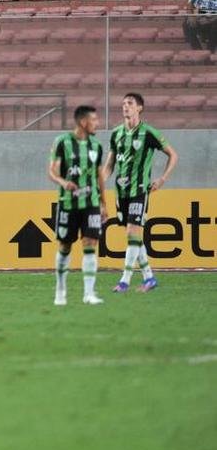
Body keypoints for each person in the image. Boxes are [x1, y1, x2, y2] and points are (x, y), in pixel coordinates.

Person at [101, 93, 179, 294]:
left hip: (140, 190)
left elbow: (173, 154)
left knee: (131, 232)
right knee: (134, 237)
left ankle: (124, 281)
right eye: (123, 103)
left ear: (140, 108)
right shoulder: (116, 133)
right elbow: (109, 164)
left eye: (130, 103)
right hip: (121, 191)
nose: (125, 106)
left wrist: (162, 179)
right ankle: (149, 278)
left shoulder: (148, 133)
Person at [47, 105, 107, 306]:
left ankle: (89, 294)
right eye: (94, 120)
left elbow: (99, 177)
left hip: (90, 202)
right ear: (83, 122)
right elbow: (52, 171)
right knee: (65, 246)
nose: (97, 123)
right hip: (68, 203)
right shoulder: (62, 143)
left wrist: (103, 204)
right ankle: (60, 290)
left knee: (90, 243)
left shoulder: (96, 146)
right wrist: (64, 183)